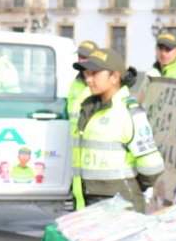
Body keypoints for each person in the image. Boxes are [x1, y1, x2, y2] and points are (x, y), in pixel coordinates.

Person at [74, 47, 164, 213]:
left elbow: (152, 166)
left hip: (121, 204)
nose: (88, 79)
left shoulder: (129, 112)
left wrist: (130, 186)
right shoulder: (89, 108)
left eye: (94, 74)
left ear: (114, 77)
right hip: (90, 199)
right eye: (86, 74)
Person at [67, 40, 96, 207]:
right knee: (77, 187)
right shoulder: (77, 81)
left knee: (88, 187)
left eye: (85, 57)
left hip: (90, 142)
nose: (81, 60)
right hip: (76, 141)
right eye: (80, 56)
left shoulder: (98, 84)